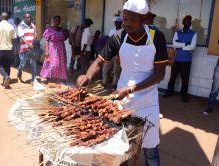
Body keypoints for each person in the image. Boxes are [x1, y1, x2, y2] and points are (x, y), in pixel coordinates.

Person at [76, 0, 168, 165]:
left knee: (150, 147)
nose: (127, 24)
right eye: (125, 19)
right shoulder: (119, 36)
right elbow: (99, 61)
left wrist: (131, 89)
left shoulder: (156, 37)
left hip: (147, 100)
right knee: (119, 144)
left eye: (133, 20)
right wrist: (88, 76)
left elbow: (159, 75)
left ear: (144, 19)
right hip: (122, 98)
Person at [163, 15, 197, 103]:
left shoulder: (194, 33)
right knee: (172, 78)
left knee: (185, 79)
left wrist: (180, 46)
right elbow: (174, 44)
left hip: (187, 61)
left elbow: (192, 47)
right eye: (186, 21)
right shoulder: (177, 33)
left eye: (189, 22)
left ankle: (184, 95)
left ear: (190, 23)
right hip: (176, 59)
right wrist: (186, 45)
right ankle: (169, 92)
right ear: (183, 22)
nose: (188, 23)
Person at [40, 16, 68, 83]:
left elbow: (64, 39)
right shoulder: (49, 30)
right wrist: (46, 51)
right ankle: (48, 77)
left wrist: (68, 35)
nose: (57, 22)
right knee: (53, 64)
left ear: (60, 21)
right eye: (56, 20)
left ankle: (57, 78)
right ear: (53, 21)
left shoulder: (62, 30)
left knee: (60, 64)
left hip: (61, 49)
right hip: (52, 48)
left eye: (58, 20)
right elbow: (47, 40)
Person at [0, 12, 16, 88]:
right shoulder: (11, 26)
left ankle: (6, 76)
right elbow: (13, 40)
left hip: (1, 48)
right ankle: (5, 81)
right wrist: (13, 49)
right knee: (7, 65)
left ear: (1, 17)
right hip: (9, 49)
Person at [102, 16, 123, 88]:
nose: (116, 23)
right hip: (110, 53)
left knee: (116, 71)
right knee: (105, 68)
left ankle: (114, 84)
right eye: (115, 22)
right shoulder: (112, 31)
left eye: (118, 22)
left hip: (118, 55)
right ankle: (104, 82)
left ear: (121, 23)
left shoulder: (123, 32)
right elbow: (109, 42)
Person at [17, 13, 37, 83]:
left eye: (30, 17)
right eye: (27, 17)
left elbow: (35, 35)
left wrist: (34, 42)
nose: (29, 18)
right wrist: (28, 44)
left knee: (33, 64)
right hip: (24, 49)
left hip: (32, 49)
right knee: (22, 64)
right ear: (24, 18)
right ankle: (19, 73)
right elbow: (21, 37)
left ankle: (33, 79)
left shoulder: (33, 26)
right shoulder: (20, 26)